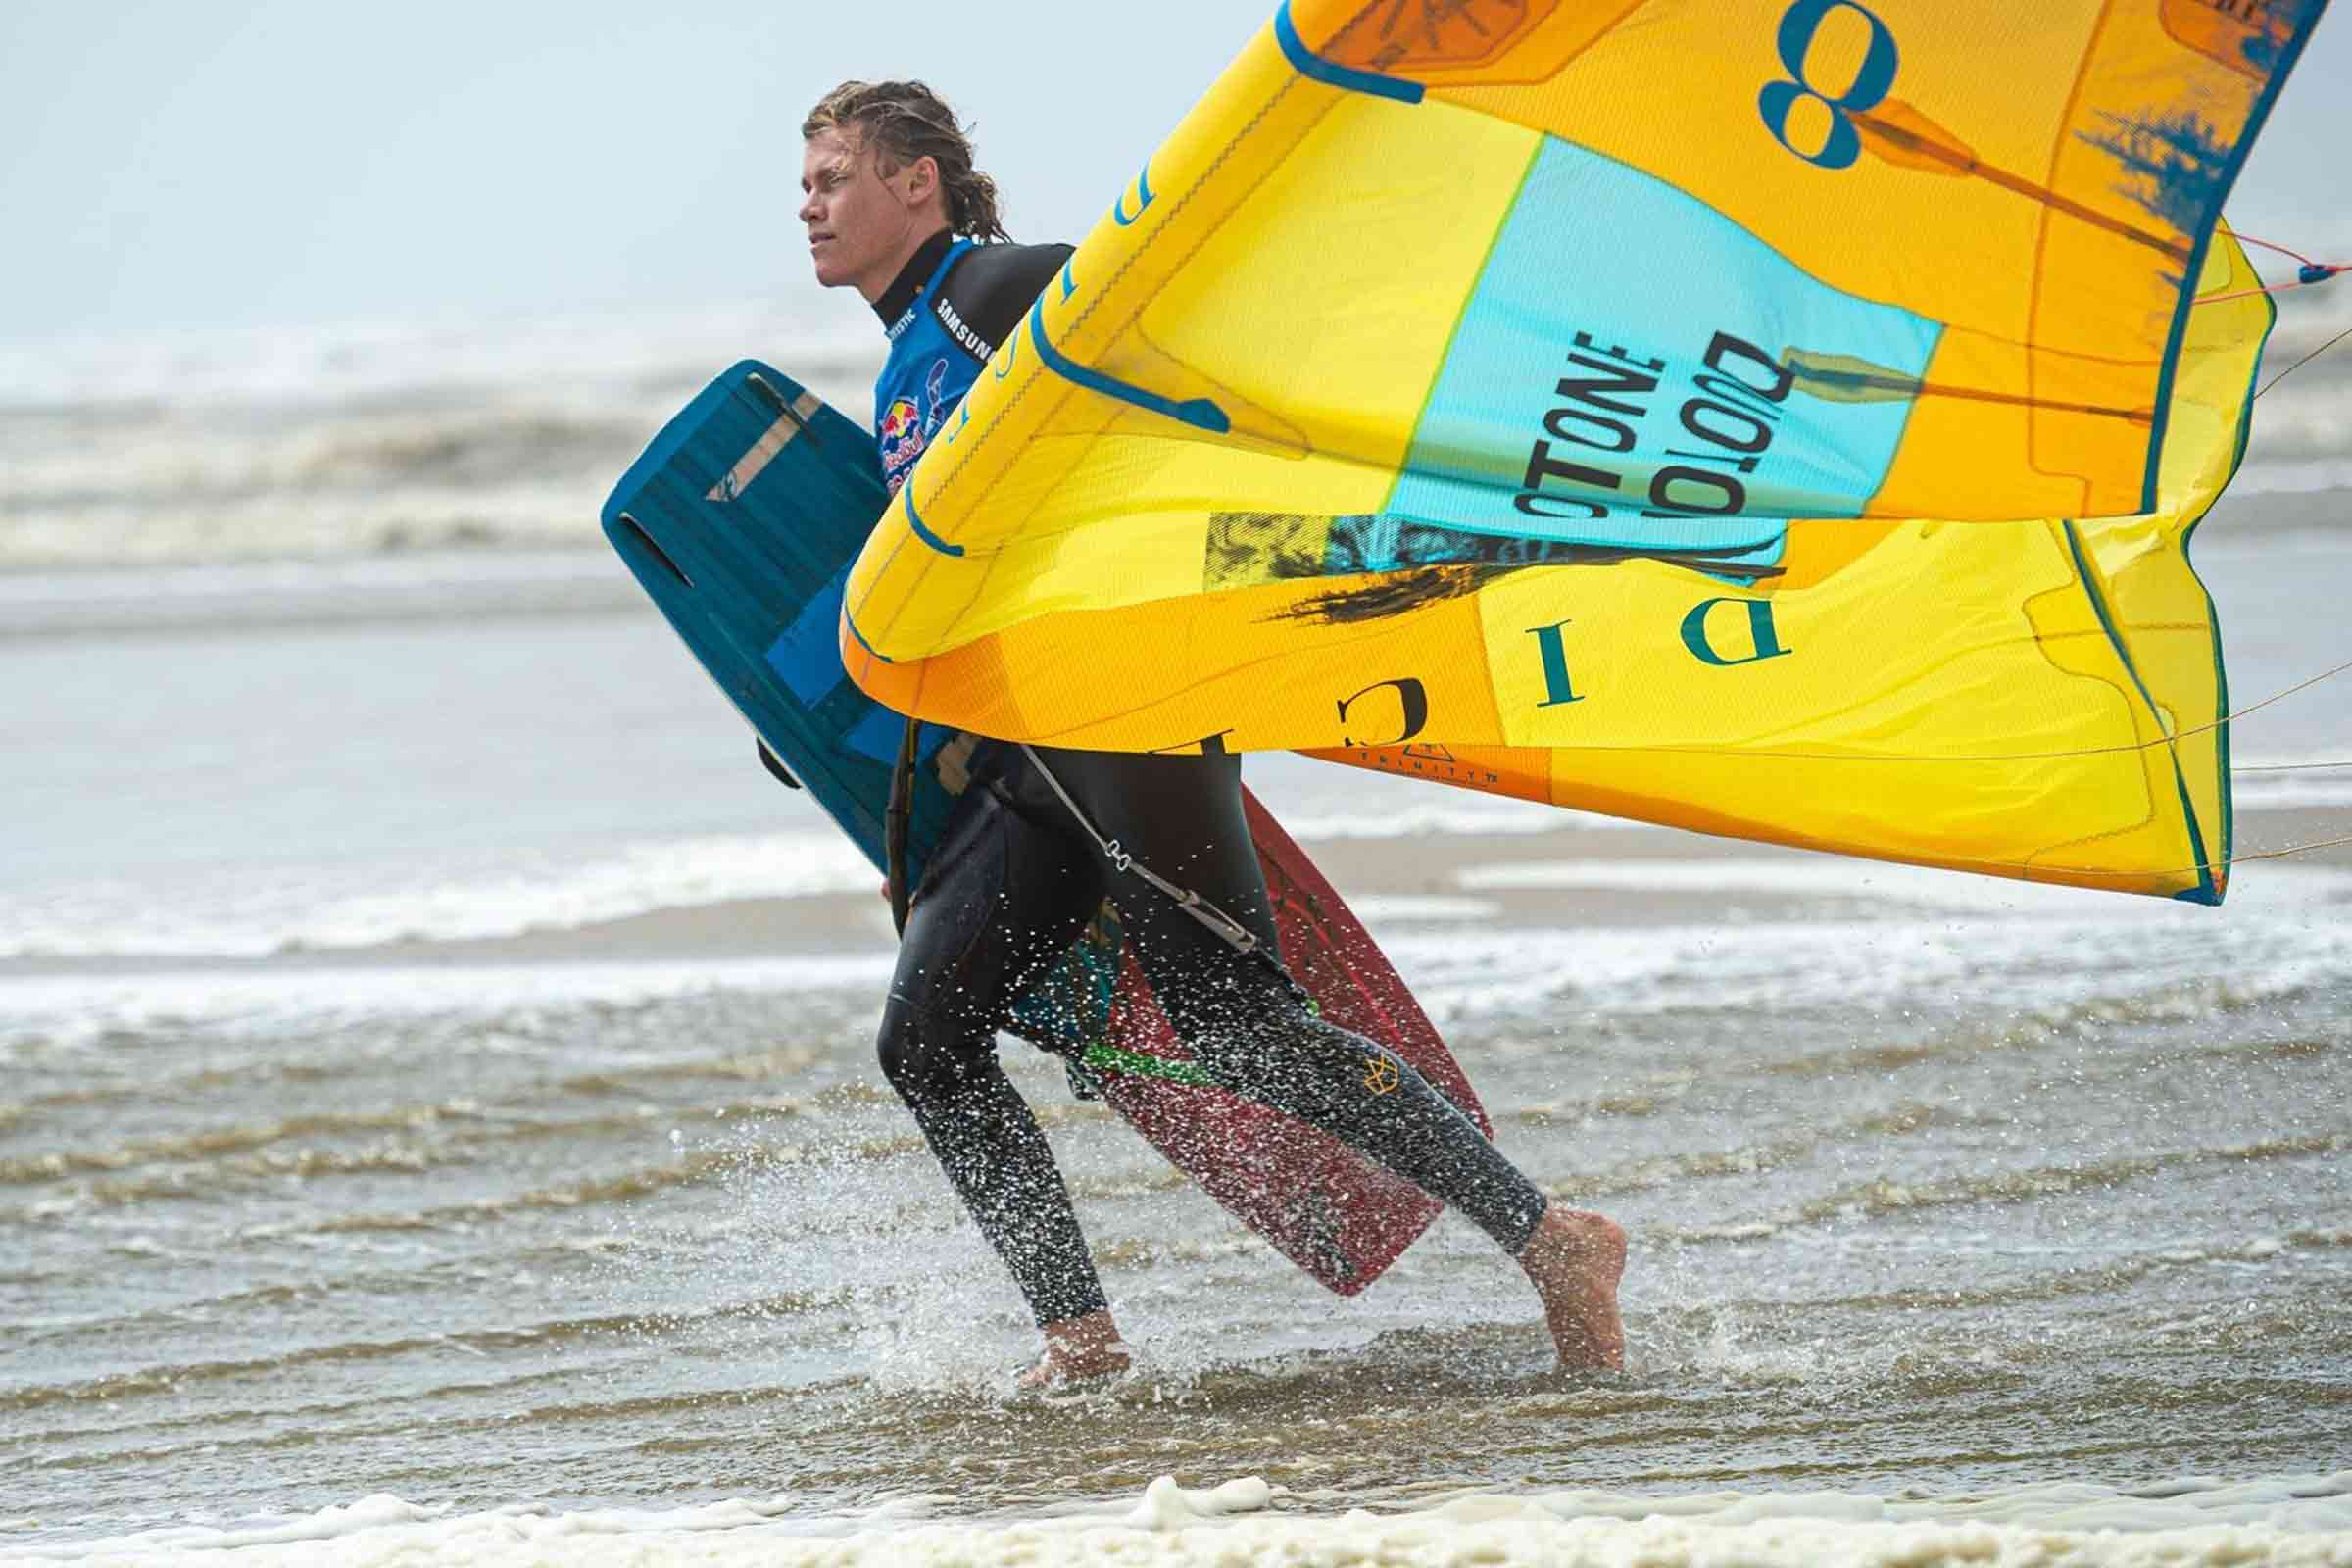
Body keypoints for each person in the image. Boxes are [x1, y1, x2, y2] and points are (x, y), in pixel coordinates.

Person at [795, 79, 1626, 1386]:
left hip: (1129, 710)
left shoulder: (999, 293)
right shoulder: (910, 359)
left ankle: (1555, 1239)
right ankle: (1083, 1347)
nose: (809, 204)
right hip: (1034, 760)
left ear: (920, 183)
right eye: (806, 183)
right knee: (930, 1041)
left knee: (1240, 1025)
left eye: (834, 176)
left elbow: (1153, 349)